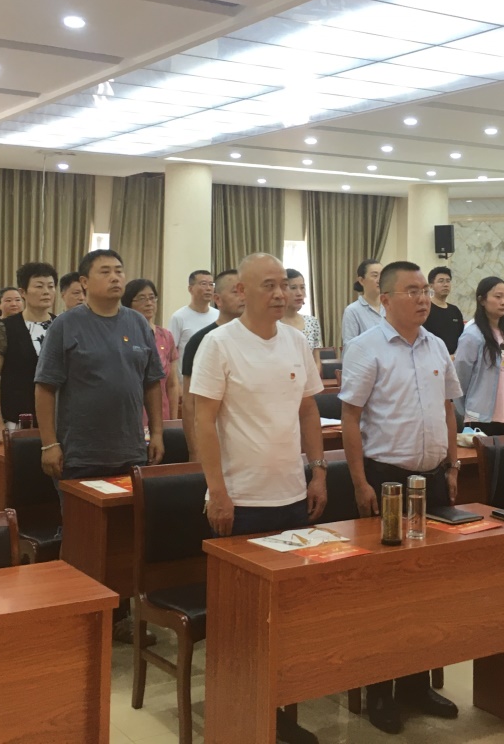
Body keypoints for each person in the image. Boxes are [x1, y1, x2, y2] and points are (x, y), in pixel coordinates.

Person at [191, 253, 327, 744]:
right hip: (240, 501)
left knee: (285, 618)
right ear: (241, 292)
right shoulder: (218, 343)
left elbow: (308, 411)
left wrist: (318, 471)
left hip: (291, 496)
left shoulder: (296, 341)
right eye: (268, 285)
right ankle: (239, 716)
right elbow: (203, 420)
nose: (280, 293)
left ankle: (281, 714)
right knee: (241, 622)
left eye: (284, 284)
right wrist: (218, 491)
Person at [340, 260, 462, 734]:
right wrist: (359, 482)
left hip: (432, 479)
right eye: (412, 290)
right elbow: (351, 418)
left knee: (427, 586)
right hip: (385, 479)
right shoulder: (366, 347)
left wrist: (453, 464)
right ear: (386, 299)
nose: (423, 298)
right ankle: (379, 691)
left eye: (425, 290)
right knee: (385, 590)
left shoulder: (437, 345)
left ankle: (416, 684)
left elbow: (448, 408)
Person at [35, 249, 164, 481]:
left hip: (131, 451)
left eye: (119, 271)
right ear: (84, 282)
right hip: (80, 455)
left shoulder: (138, 323)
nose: (115, 278)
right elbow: (45, 387)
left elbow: (152, 383)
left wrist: (157, 433)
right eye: (105, 272)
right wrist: (49, 444)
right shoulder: (65, 325)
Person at [0, 262, 57, 441]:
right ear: (23, 292)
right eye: (39, 286)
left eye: (50, 286)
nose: (46, 292)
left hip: (56, 421)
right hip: (15, 420)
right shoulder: (6, 327)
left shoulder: (61, 326)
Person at [180, 271, 244, 455]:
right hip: (214, 439)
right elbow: (189, 403)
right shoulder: (201, 340)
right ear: (218, 299)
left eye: (245, 291)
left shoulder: (256, 338)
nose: (243, 297)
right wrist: (195, 451)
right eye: (235, 292)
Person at [454, 276, 504, 437]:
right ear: (482, 300)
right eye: (498, 297)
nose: (503, 302)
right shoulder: (473, 334)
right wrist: (468, 411)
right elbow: (460, 377)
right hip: (481, 417)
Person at [123, 278, 181, 425]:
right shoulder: (123, 336)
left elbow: (172, 383)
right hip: (131, 414)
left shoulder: (166, 336)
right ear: (129, 303)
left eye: (152, 298)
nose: (149, 303)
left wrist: (173, 420)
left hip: (162, 414)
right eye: (142, 298)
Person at [281, 268, 322, 372]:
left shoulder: (312, 322)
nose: (299, 293)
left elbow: (316, 361)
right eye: (293, 288)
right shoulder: (272, 324)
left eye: (302, 287)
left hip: (310, 379)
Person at [168, 269, 215, 358]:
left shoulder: (219, 315)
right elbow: (171, 352)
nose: (209, 288)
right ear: (190, 289)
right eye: (203, 284)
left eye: (211, 284)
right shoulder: (178, 317)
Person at [423, 266, 466, 355]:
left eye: (448, 281)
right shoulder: (425, 308)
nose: (445, 284)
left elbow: (462, 337)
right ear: (431, 286)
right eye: (441, 281)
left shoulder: (455, 310)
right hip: (432, 357)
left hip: (454, 359)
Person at [341, 259, 383, 348]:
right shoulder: (352, 311)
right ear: (361, 280)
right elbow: (350, 347)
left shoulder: (391, 307)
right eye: (375, 276)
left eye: (382, 275)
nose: (380, 280)